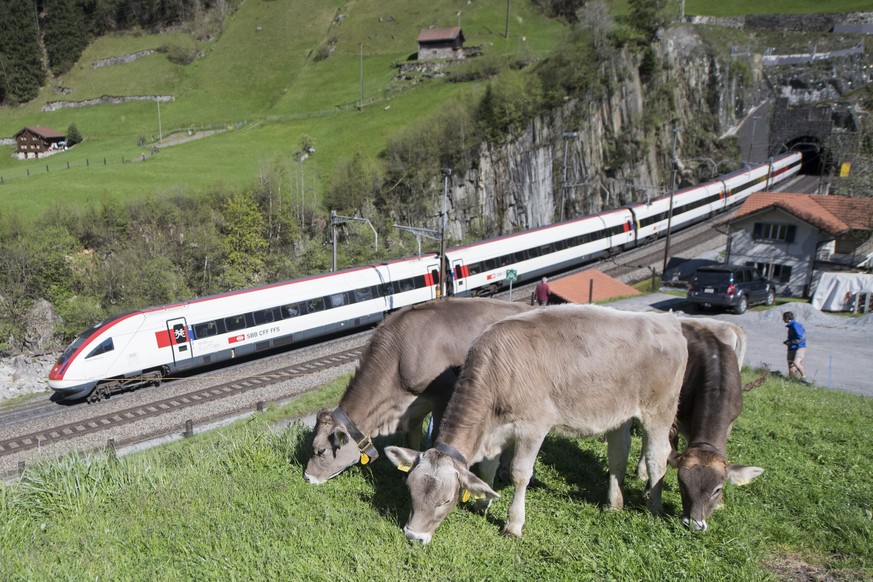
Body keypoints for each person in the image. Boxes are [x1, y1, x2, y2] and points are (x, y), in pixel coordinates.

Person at [782, 311, 807, 381]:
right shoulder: (790, 326)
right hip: (791, 348)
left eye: (783, 318)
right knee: (791, 366)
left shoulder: (795, 325)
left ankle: (804, 377)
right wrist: (787, 342)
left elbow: (801, 338)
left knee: (796, 363)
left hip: (799, 347)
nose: (782, 319)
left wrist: (791, 342)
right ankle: (792, 380)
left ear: (787, 318)